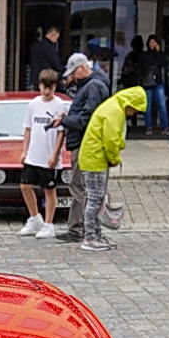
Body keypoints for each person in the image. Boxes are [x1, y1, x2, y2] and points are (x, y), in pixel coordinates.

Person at [77, 85, 146, 252]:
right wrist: (114, 158)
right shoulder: (115, 111)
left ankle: (95, 234)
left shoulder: (113, 105)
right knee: (95, 198)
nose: (132, 114)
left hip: (93, 157)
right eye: (134, 110)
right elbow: (111, 140)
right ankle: (90, 237)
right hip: (95, 159)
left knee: (96, 198)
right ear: (130, 104)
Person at [53, 53, 110, 243]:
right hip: (85, 141)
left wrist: (65, 120)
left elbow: (86, 118)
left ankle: (82, 227)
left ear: (82, 68)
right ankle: (81, 226)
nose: (73, 78)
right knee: (82, 186)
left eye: (74, 73)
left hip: (85, 142)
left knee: (80, 186)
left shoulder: (93, 86)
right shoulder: (94, 83)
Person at [18, 69, 63, 240]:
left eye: (50, 88)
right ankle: (35, 217)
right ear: (39, 86)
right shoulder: (33, 104)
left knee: (49, 189)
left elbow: (61, 132)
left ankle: (49, 224)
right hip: (33, 154)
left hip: (48, 155)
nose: (47, 91)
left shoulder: (59, 105)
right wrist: (24, 150)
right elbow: (28, 128)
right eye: (44, 87)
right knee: (25, 185)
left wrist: (55, 154)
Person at [140, 37, 169, 135]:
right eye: (151, 42)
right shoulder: (144, 55)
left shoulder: (160, 55)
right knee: (148, 107)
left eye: (154, 42)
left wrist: (158, 52)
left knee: (162, 105)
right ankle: (149, 127)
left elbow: (163, 64)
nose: (152, 44)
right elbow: (140, 68)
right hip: (147, 83)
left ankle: (165, 127)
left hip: (158, 83)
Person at [28, 23, 63, 89]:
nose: (56, 41)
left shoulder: (35, 46)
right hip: (47, 80)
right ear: (53, 35)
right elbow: (56, 64)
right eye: (56, 38)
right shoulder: (50, 47)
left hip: (35, 79)